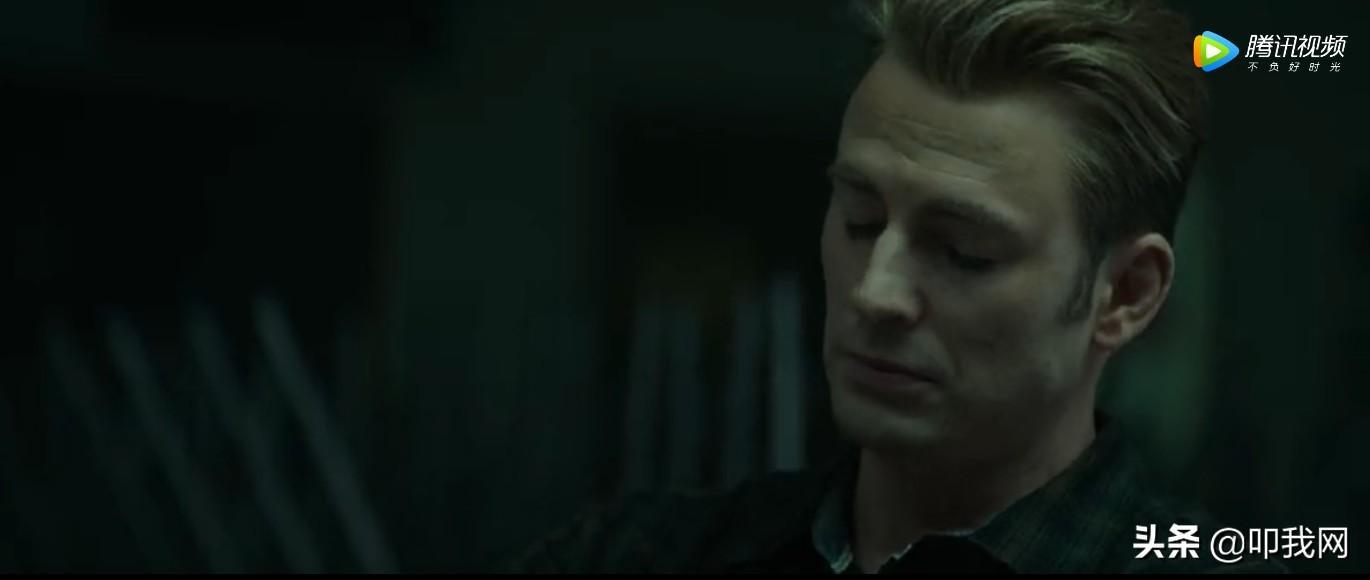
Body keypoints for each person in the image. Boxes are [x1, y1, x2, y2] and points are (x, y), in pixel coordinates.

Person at [499, 0, 1284, 573]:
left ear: (1125, 294)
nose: (875, 293)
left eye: (963, 253)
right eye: (861, 220)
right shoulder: (633, 557)